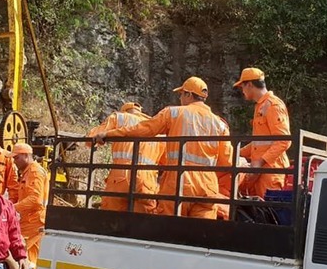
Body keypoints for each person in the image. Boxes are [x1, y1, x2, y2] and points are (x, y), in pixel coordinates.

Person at [95, 77, 233, 219]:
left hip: (179, 183)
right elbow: (227, 162)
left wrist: (110, 134)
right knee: (203, 234)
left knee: (168, 231)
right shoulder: (220, 124)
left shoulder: (173, 113)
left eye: (181, 94)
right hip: (207, 187)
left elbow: (145, 129)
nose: (180, 98)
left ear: (189, 95)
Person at [87, 102, 164, 213]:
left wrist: (104, 137)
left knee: (112, 219)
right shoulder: (155, 128)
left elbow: (91, 138)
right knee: (144, 223)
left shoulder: (119, 117)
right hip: (147, 181)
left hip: (120, 176)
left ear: (124, 110)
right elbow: (165, 163)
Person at [233, 67, 292, 198]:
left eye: (242, 86)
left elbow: (284, 141)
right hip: (260, 171)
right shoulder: (260, 106)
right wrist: (236, 153)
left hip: (271, 171)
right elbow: (259, 143)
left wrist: (260, 162)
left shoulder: (273, 105)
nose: (242, 91)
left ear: (249, 85)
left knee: (268, 212)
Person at [9, 143, 49, 269]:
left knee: (26, 263)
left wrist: (12, 208)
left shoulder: (34, 172)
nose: (14, 161)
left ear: (26, 155)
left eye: (17, 157)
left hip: (34, 224)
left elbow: (35, 200)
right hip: (29, 223)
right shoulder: (27, 172)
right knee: (27, 263)